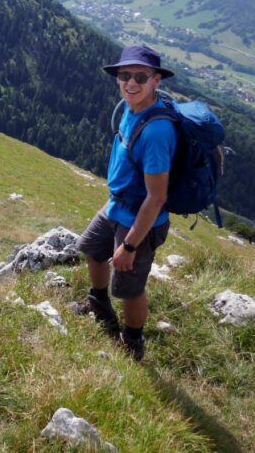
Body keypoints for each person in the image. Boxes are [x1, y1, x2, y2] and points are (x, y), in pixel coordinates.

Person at [75, 44, 176, 361]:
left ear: (156, 80)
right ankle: (99, 303)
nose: (130, 83)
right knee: (92, 248)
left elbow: (157, 196)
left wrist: (130, 245)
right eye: (124, 75)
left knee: (130, 288)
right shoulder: (132, 109)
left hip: (139, 221)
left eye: (140, 77)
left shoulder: (157, 131)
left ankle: (132, 342)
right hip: (116, 206)